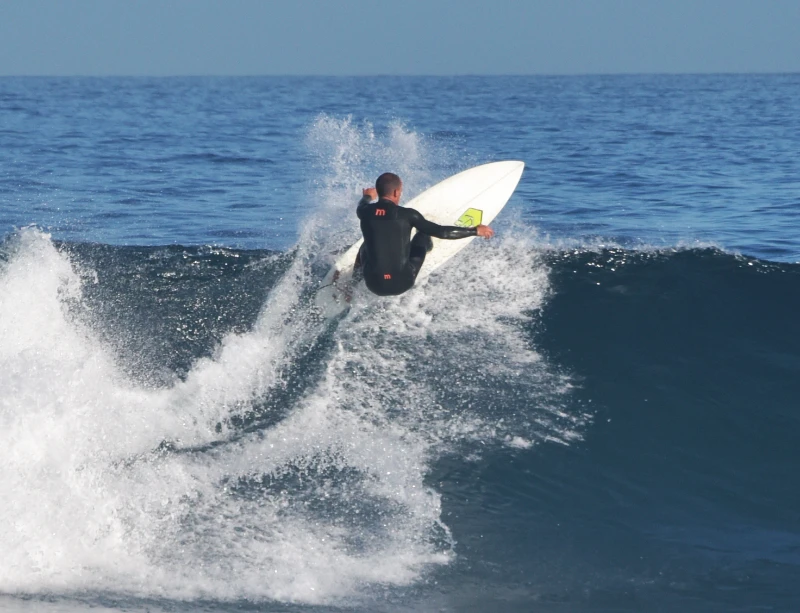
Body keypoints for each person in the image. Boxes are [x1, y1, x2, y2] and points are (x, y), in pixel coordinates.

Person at [354, 172, 494, 296]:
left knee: (365, 245)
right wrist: (475, 231)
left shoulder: (364, 211)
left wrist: (367, 195)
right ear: (396, 192)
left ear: (378, 192)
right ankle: (428, 246)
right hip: (402, 283)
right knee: (424, 233)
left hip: (374, 285)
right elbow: (442, 232)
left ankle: (351, 285)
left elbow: (362, 203)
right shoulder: (408, 215)